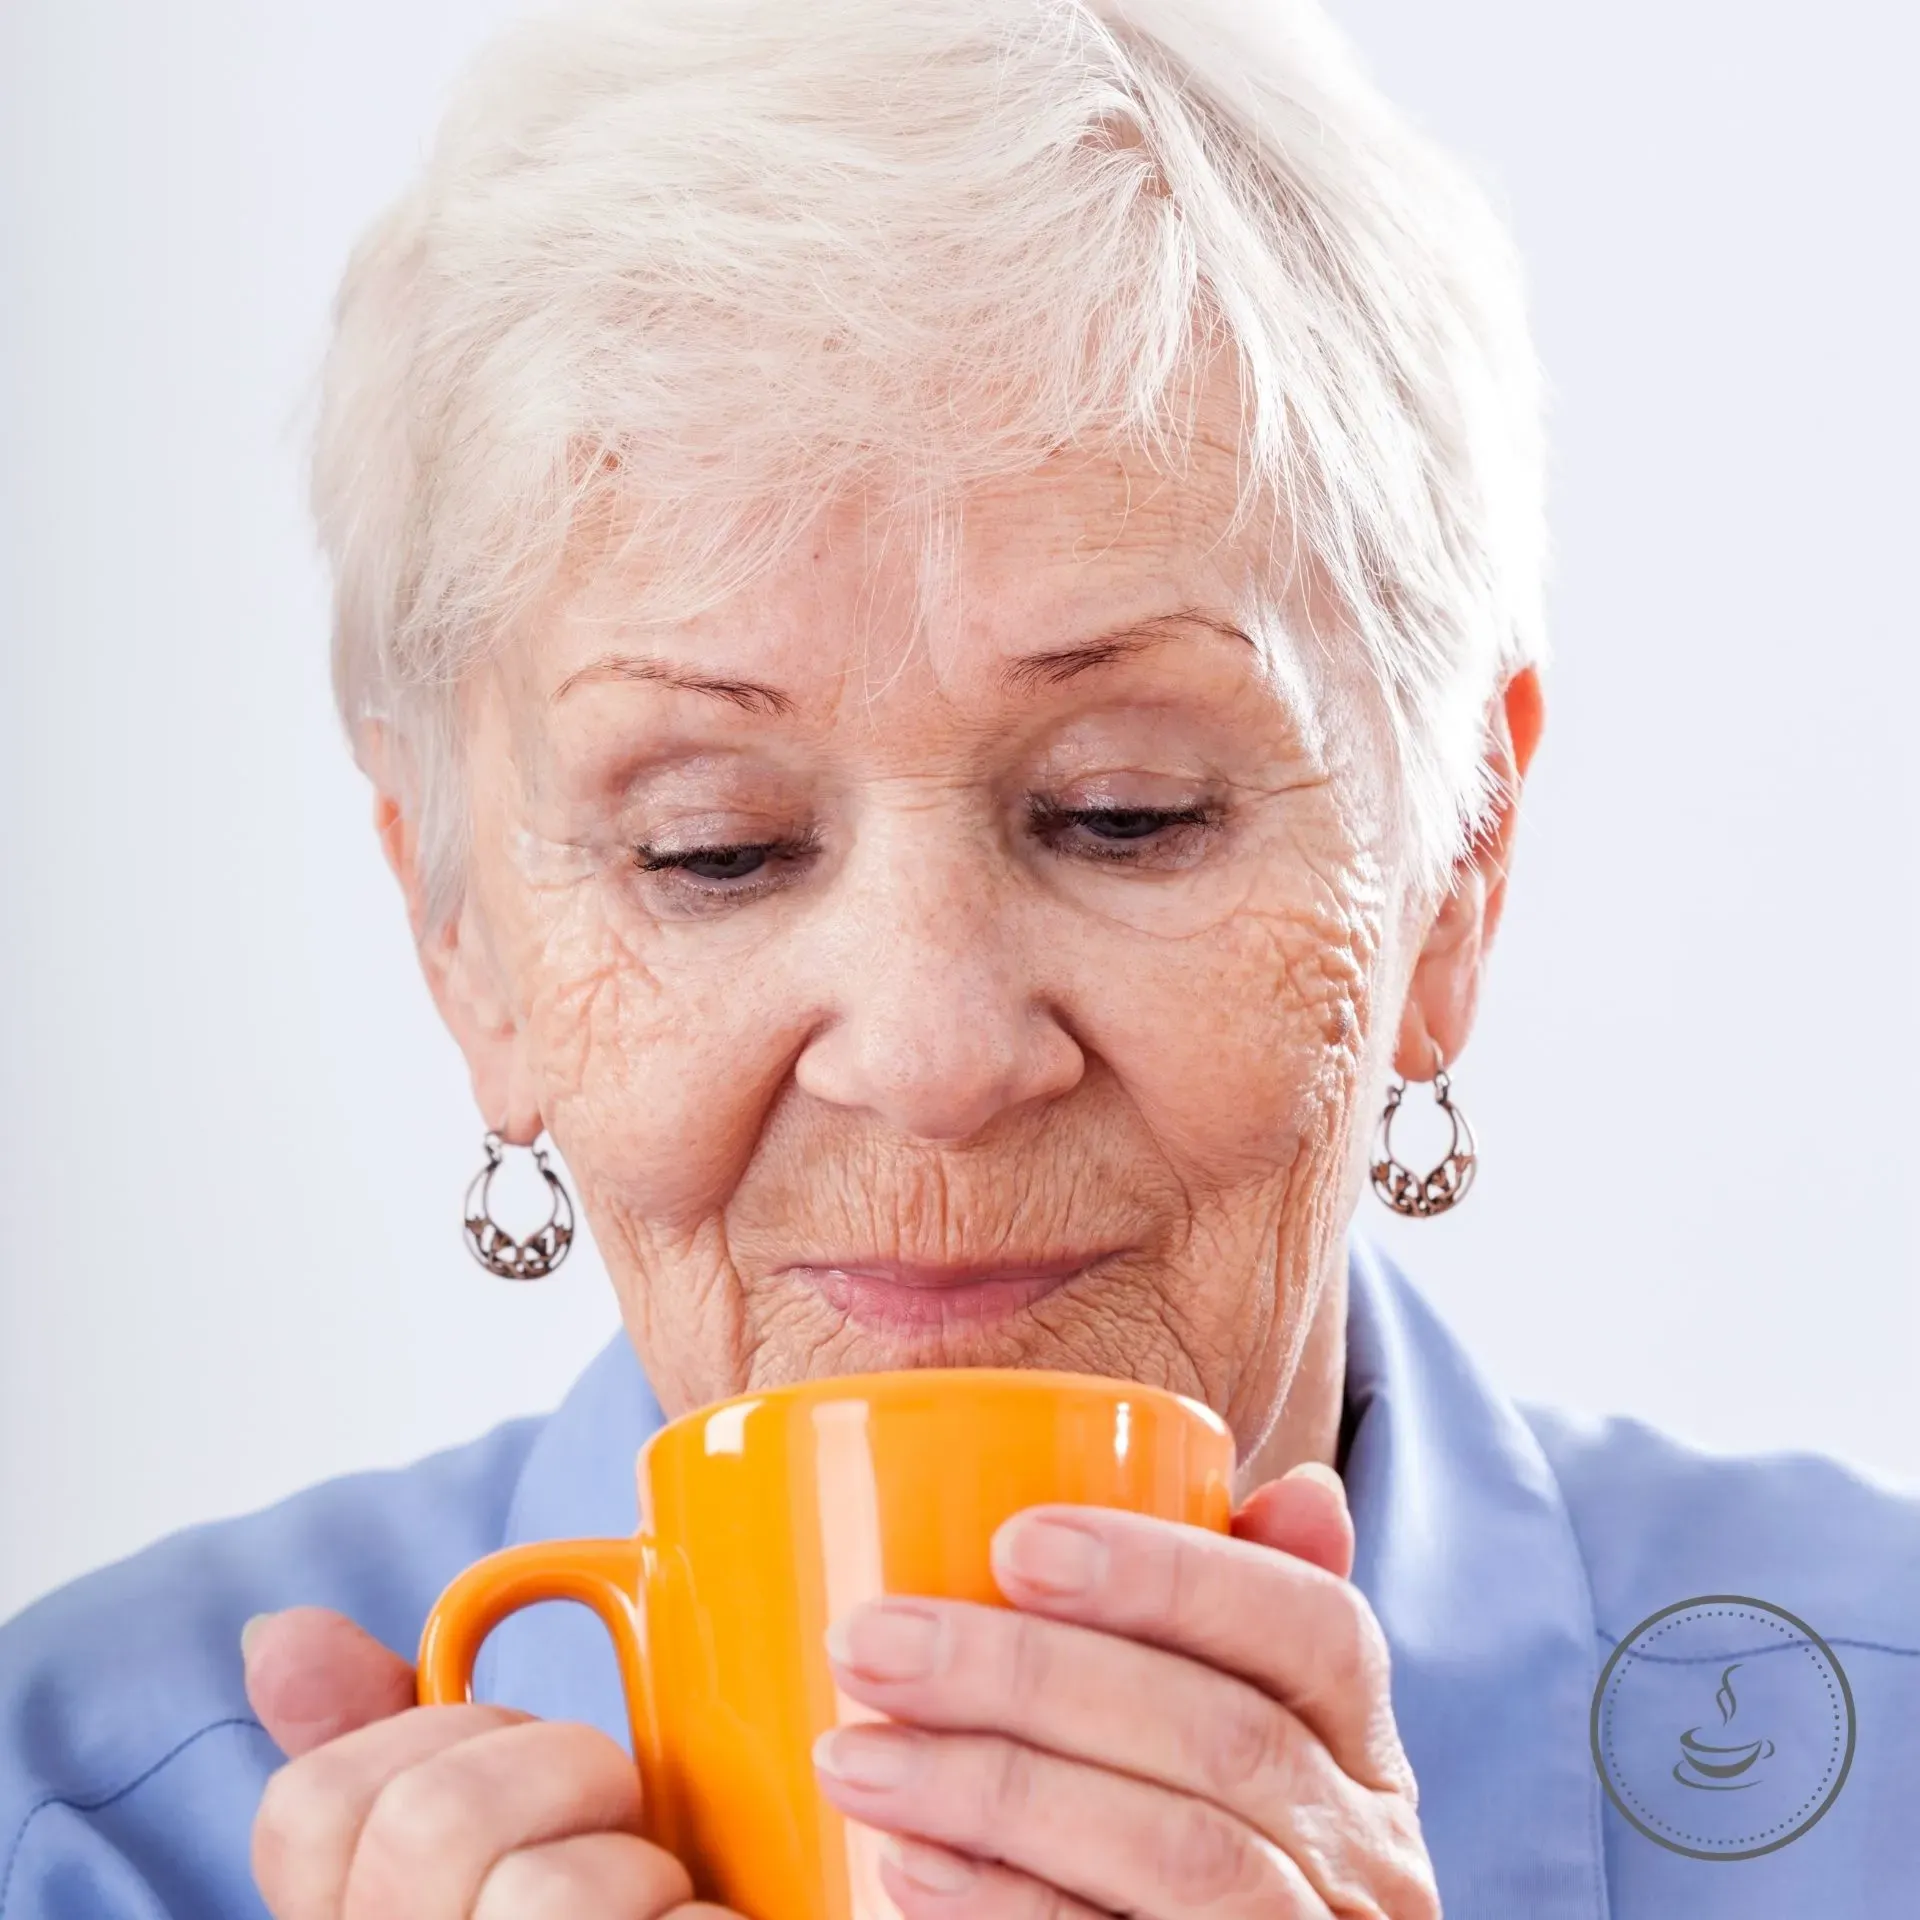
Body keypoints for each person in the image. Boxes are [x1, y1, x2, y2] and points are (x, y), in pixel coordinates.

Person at [3, 0, 1915, 1914]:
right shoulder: (76, 1824)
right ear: (466, 945)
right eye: (716, 849)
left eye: (1126, 815)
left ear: (1458, 868)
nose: (931, 1051)